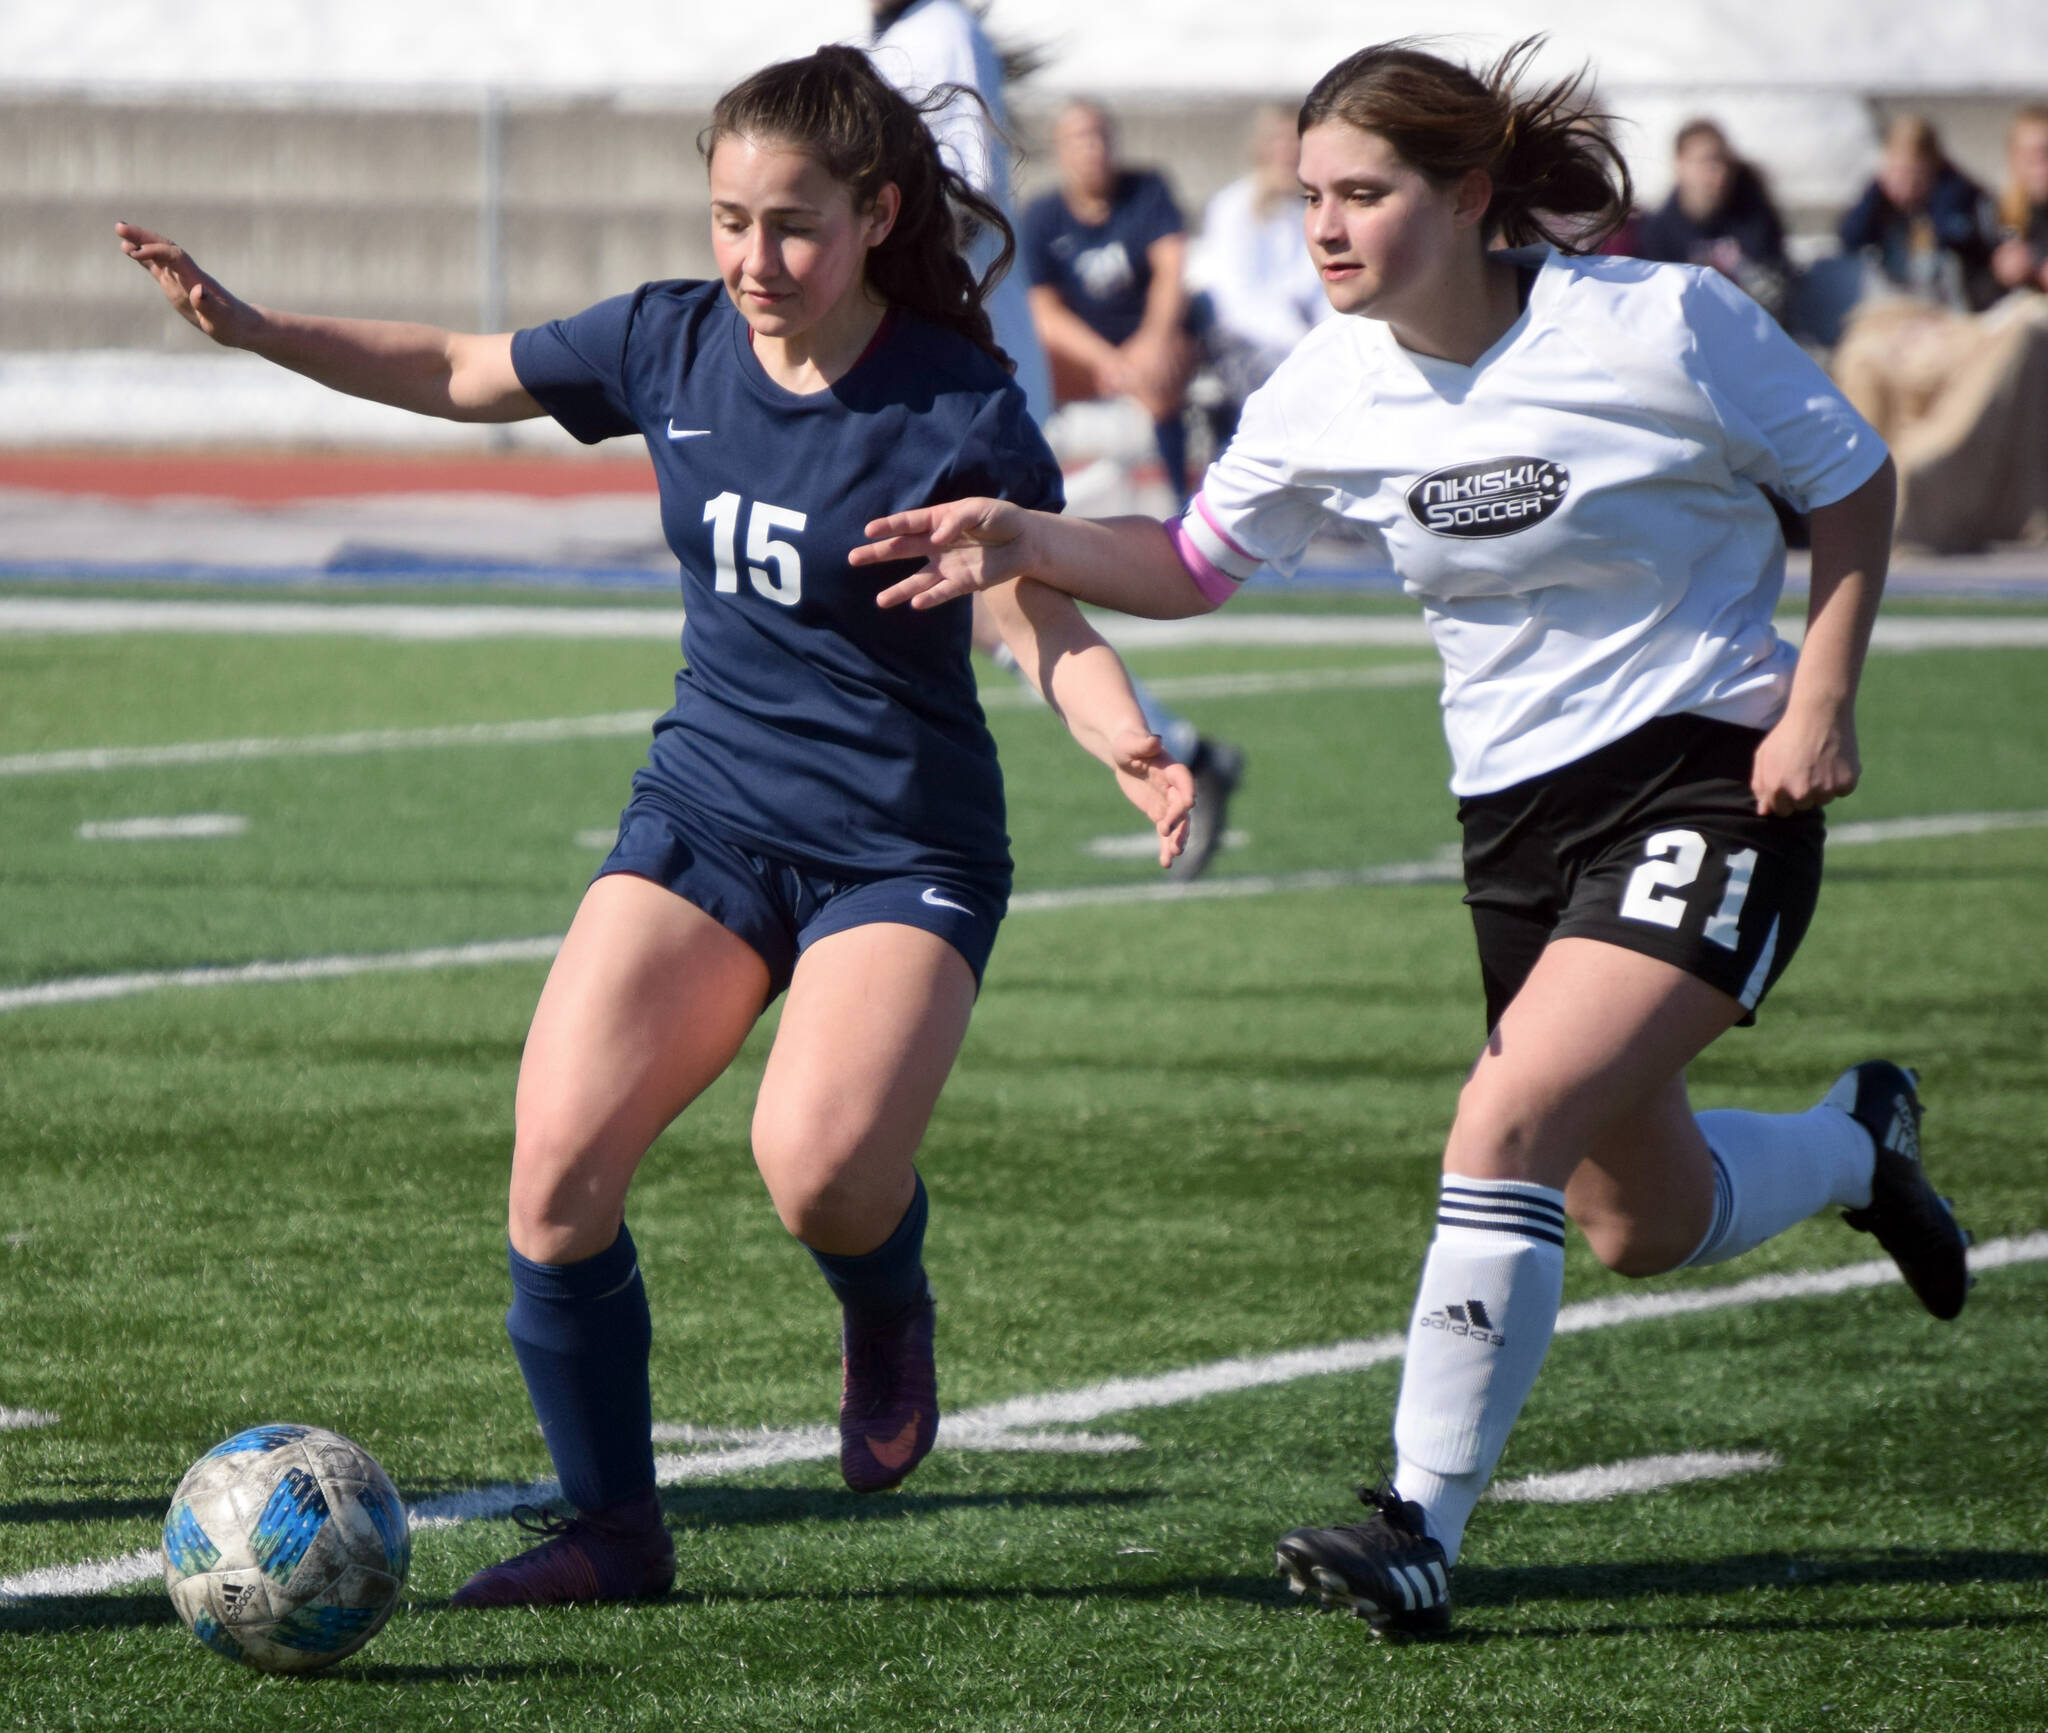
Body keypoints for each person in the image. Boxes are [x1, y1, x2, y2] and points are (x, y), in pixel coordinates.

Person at [853, 38, 1971, 1640]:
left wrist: (1823, 699)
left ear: (1466, 195)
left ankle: (1416, 1524)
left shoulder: (1665, 322)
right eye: (1308, 193)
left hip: (1716, 772)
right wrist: (1028, 536)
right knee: (1637, 1222)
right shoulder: (1330, 382)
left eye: (1363, 193)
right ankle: (1867, 1141)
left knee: (1504, 1114)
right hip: (1515, 820)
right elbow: (1189, 562)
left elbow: (1854, 488)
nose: (1323, 225)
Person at [118, 45, 1193, 1609]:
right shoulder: (667, 340)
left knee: (816, 1168)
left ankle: (883, 1293)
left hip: (901, 846)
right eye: (729, 220)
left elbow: (1035, 608)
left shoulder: (954, 400)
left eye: (795, 226)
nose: (756, 262)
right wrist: (254, 328)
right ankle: (617, 1533)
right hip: (706, 811)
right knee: (555, 1172)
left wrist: (1127, 743)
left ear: (881, 213)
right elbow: (457, 370)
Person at [869, 8, 1243, 878]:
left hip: (954, 381)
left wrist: (857, 251)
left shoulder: (934, 31)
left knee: (991, 591)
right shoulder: (908, 40)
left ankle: (1153, 747)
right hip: (930, 376)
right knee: (959, 602)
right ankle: (1169, 743)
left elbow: (955, 206)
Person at [1020, 99, 1198, 503]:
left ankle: (1179, 504)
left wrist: (1152, 340)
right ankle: (1035, 502)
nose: (1093, 148)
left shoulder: (1148, 191)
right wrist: (1106, 361)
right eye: (1080, 139)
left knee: (1164, 367)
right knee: (1023, 369)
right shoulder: (1042, 215)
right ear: (1060, 151)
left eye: (1100, 136)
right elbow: (1045, 312)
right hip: (1084, 352)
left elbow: (1172, 271)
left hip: (1145, 341)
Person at [1192, 102, 1333, 431]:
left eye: (1293, 141)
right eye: (1277, 141)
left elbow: (1321, 287)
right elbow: (1239, 301)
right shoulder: (1233, 208)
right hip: (1245, 340)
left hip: (1306, 336)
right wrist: (1302, 343)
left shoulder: (1311, 208)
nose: (1286, 152)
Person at [1632, 118, 1791, 323]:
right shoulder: (1657, 232)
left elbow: (1775, 292)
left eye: (1723, 162)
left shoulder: (1756, 221)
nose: (1718, 173)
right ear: (1680, 164)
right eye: (1706, 162)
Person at [1836, 114, 1998, 314]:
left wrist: (1943, 198)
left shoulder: (1961, 198)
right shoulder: (1880, 203)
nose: (1905, 184)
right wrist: (1875, 192)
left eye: (1913, 173)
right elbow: (1850, 237)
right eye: (1895, 172)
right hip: (1896, 302)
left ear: (1933, 169)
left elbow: (1955, 236)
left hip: (1949, 307)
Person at [1991, 104, 2048, 298]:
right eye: (2030, 155)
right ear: (2013, 157)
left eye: (2046, 153)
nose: (2039, 165)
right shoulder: (1994, 210)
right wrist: (2001, 273)